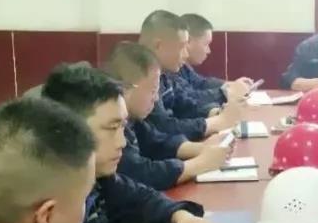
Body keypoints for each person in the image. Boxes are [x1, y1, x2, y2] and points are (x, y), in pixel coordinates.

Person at [42, 64, 234, 223]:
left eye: (123, 127)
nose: (122, 142)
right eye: (112, 128)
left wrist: (179, 216)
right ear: (69, 131)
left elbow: (136, 196)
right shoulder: (47, 189)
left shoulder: (94, 173)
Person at [104, 41, 229, 190]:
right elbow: (142, 173)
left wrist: (203, 148)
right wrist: (200, 164)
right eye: (153, 91)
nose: (156, 98)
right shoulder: (110, 126)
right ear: (127, 89)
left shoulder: (133, 118)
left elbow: (157, 142)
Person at [139, 10, 245, 140]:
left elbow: (185, 105)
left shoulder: (165, 75)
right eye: (182, 47)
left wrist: (217, 113)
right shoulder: (140, 78)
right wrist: (215, 123)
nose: (186, 54)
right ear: (158, 45)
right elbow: (164, 127)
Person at [180, 12, 256, 106]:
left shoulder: (184, 68)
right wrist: (227, 92)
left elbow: (201, 83)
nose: (209, 51)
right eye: (206, 44)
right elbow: (189, 98)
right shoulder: (171, 70)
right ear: (188, 41)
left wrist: (232, 85)